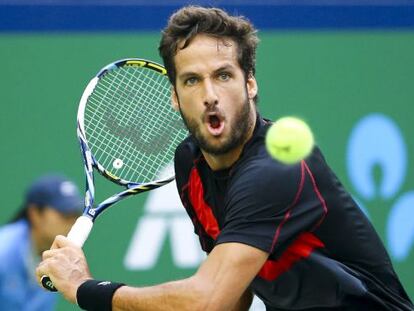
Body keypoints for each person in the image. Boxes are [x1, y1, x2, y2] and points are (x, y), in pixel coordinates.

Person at [36, 6, 414, 311]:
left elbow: (206, 299)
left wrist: (87, 289)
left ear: (250, 83)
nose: (210, 95)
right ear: (174, 95)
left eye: (223, 76)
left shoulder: (275, 170)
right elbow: (231, 298)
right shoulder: (190, 165)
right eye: (192, 80)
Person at [0, 173, 83, 310]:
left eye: (75, 215)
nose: (72, 223)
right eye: (65, 214)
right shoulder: (3, 252)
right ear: (35, 214)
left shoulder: (55, 259)